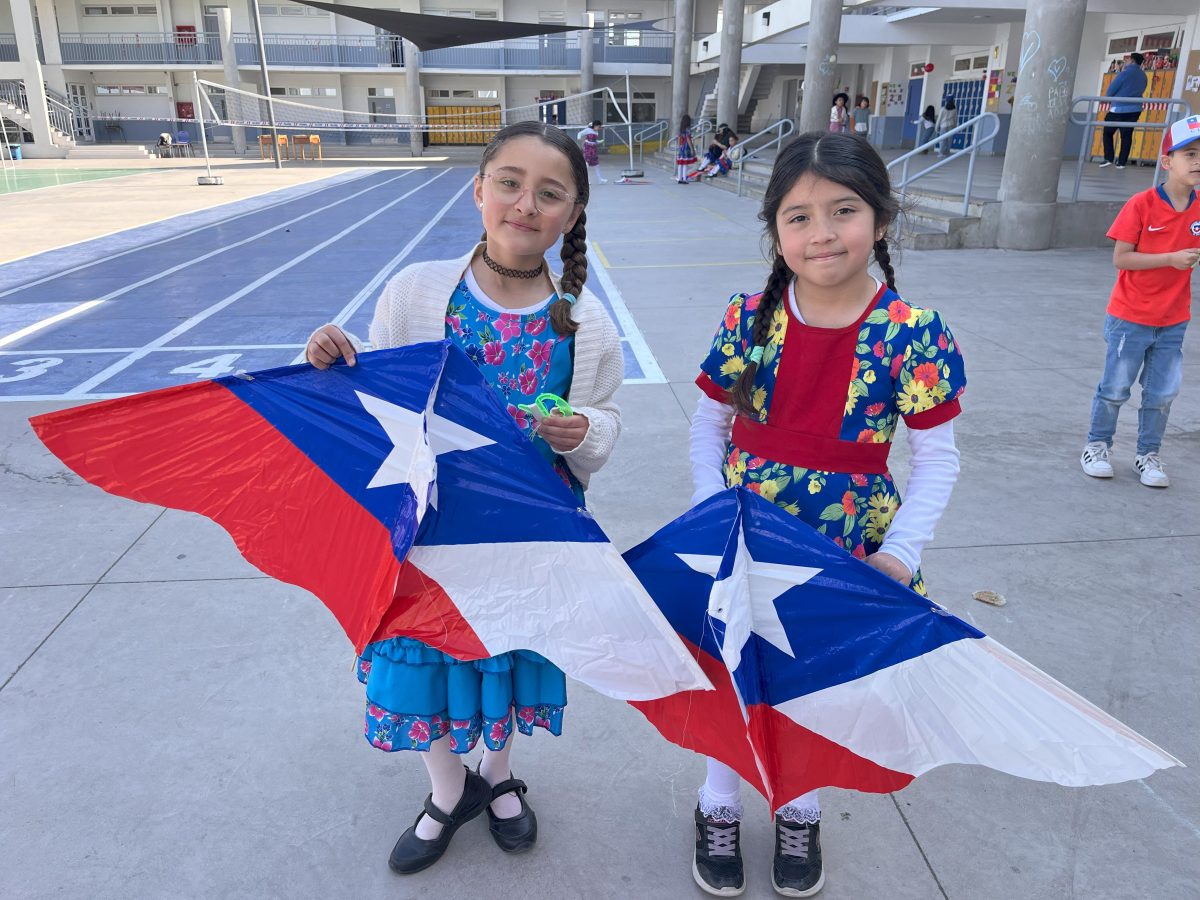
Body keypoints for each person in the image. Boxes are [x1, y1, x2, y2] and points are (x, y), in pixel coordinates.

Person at [304, 121, 623, 875]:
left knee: (508, 652)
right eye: (508, 183)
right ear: (479, 190)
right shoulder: (417, 290)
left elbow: (607, 417)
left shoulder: (585, 321)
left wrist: (583, 429)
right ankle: (448, 789)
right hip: (431, 530)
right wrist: (325, 361)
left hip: (528, 532)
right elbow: (370, 398)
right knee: (427, 658)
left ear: (571, 214)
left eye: (550, 193)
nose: (525, 203)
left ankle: (497, 773)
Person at [687, 131, 966, 897]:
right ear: (775, 231)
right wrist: (712, 513)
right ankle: (717, 800)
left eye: (843, 211)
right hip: (743, 532)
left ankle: (800, 805)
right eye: (798, 216)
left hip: (849, 546)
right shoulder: (748, 317)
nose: (821, 234)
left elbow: (936, 456)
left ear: (880, 219)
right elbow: (708, 425)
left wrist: (900, 556)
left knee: (818, 684)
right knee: (732, 671)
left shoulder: (913, 333)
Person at [1080, 115, 1200, 488]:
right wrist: (1170, 258)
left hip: (1173, 319)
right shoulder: (1142, 204)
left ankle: (1148, 454)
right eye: (1190, 154)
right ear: (1167, 162)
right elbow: (1122, 258)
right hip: (1130, 317)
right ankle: (1097, 446)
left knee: (1162, 393)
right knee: (1115, 389)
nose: (1197, 162)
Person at [1100, 52, 1148, 169]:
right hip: (1136, 109)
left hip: (1119, 108)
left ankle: (1109, 157)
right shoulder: (1143, 75)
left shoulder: (1124, 73)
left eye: (1126, 60)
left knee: (1108, 132)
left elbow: (1112, 89)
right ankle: (1121, 162)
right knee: (1126, 135)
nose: (1125, 62)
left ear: (1131, 60)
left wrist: (1107, 98)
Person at [577, 119, 607, 184]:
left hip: (594, 149)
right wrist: (579, 138)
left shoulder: (596, 132)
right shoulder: (588, 130)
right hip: (587, 148)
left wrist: (600, 141)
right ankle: (586, 180)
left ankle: (600, 179)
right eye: (598, 126)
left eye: (599, 127)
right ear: (595, 125)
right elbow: (580, 133)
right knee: (586, 164)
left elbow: (594, 141)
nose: (599, 128)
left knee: (596, 164)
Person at [676, 113, 698, 184]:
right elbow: (688, 138)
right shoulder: (688, 128)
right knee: (685, 163)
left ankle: (679, 178)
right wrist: (692, 148)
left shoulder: (680, 128)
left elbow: (679, 138)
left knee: (680, 163)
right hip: (686, 147)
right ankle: (684, 179)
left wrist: (679, 146)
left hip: (681, 146)